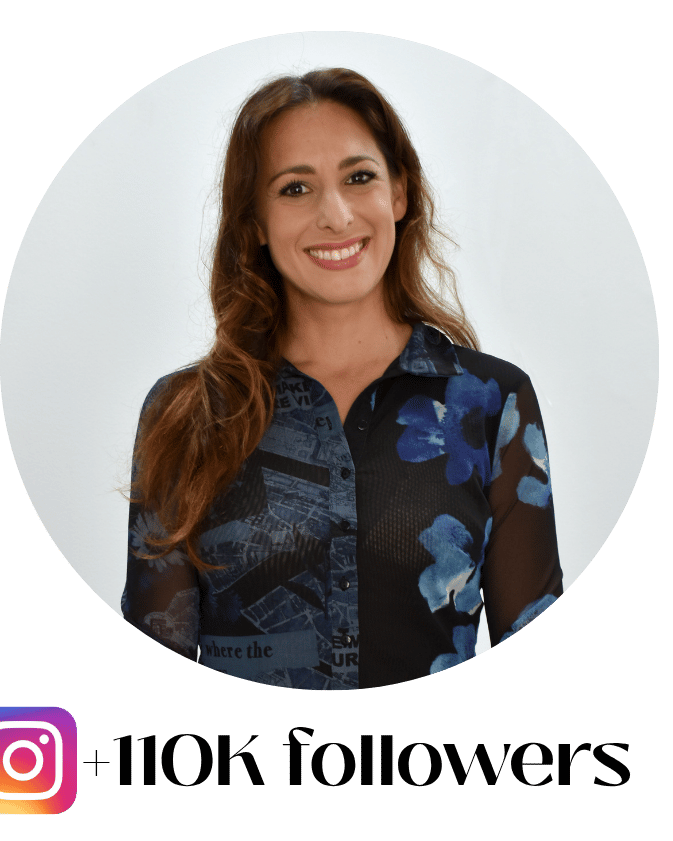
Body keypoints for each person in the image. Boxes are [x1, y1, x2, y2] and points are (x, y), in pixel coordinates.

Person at [120, 67, 563, 690]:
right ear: (254, 222)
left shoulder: (492, 404)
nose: (335, 215)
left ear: (399, 193)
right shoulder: (188, 412)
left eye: (359, 178)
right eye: (295, 188)